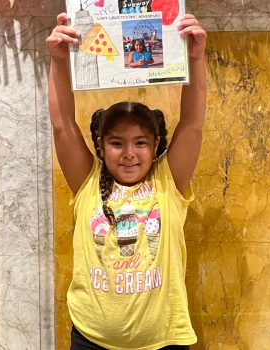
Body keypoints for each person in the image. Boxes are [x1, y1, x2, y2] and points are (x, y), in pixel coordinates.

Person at [46, 12, 207, 350]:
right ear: (101, 147)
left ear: (156, 145)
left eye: (141, 142)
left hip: (163, 342)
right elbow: (63, 126)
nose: (129, 153)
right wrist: (59, 60)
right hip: (91, 340)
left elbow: (191, 124)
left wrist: (195, 57)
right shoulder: (88, 181)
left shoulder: (168, 182)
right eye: (117, 142)